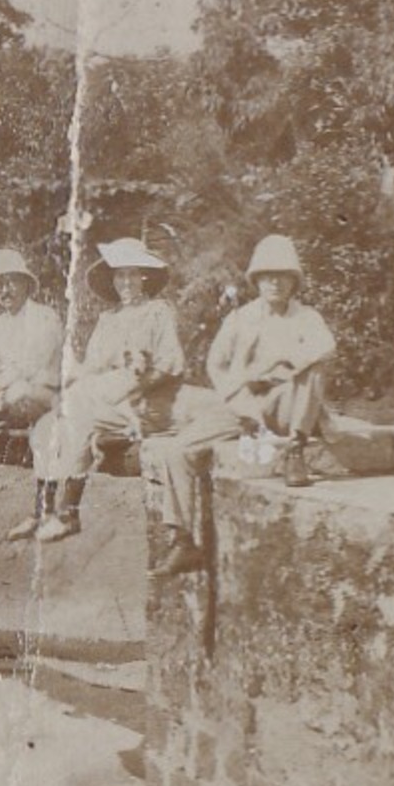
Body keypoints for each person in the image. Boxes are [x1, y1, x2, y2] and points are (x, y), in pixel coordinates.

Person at [150, 234, 337, 575]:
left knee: (314, 370)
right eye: (267, 276)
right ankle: (183, 541)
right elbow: (216, 365)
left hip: (287, 404)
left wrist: (284, 364)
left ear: (294, 280)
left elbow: (325, 347)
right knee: (176, 450)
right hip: (241, 404)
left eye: (283, 275)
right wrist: (243, 398)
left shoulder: (305, 317)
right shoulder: (241, 318)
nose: (275, 282)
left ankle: (295, 449)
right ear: (257, 280)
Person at [6, 237, 186, 544]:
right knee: (51, 422)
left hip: (145, 400)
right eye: (120, 275)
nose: (126, 282)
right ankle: (41, 510)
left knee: (78, 412)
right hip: (104, 397)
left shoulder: (158, 312)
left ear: (144, 276)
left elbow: (172, 364)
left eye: (132, 274)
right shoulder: (108, 319)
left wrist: (138, 384)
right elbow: (92, 367)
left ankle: (69, 512)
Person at [0, 248, 63, 429]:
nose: (5, 290)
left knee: (18, 392)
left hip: (45, 393)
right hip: (7, 392)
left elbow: (29, 368)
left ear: (25, 284)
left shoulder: (43, 317)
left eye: (11, 282)